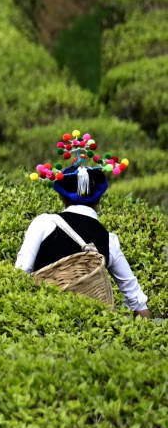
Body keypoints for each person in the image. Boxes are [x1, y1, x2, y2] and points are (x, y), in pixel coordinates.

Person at [18, 130, 150, 317]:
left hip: (43, 320)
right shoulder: (109, 241)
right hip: (92, 328)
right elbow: (137, 300)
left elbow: (21, 272)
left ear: (62, 197)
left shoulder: (43, 223)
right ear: (99, 199)